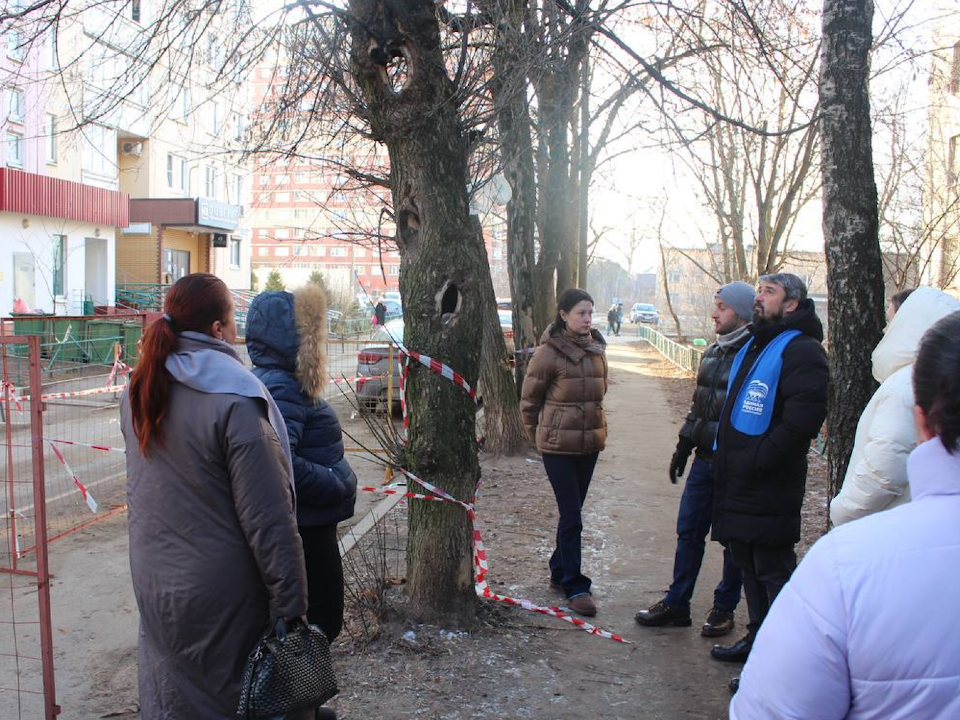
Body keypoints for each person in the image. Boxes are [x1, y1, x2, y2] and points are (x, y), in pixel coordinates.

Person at [730, 310, 960, 718]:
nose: (885, 327)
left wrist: (843, 510)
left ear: (922, 419)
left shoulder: (846, 566)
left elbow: (776, 710)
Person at [121, 273, 309, 719]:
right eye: (233, 321)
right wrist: (292, 606)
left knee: (173, 695)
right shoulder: (236, 400)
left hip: (153, 581)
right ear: (218, 330)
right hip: (224, 595)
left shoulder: (141, 390)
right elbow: (270, 521)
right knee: (229, 699)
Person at [710, 273, 828, 675]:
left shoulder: (803, 351)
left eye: (769, 293)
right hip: (741, 483)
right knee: (746, 563)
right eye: (759, 291)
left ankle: (781, 660)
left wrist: (756, 461)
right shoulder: (759, 342)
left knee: (773, 570)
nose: (759, 299)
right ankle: (758, 639)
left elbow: (800, 424)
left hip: (769, 485)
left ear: (792, 304)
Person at [635, 281, 754, 636]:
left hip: (734, 465)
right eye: (715, 305)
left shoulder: (754, 355)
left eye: (722, 306)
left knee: (732, 540)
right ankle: (677, 602)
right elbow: (700, 407)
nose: (714, 313)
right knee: (688, 531)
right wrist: (684, 445)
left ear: (743, 313)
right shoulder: (714, 352)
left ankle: (723, 608)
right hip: (704, 460)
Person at [247, 285, 358, 642]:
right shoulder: (281, 386)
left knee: (310, 628)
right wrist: (334, 481)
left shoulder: (272, 379)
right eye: (311, 331)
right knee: (319, 626)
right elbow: (281, 462)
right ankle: (302, 695)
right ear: (292, 335)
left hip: (309, 524)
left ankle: (304, 695)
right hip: (307, 528)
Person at [830, 287, 960, 527]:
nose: (884, 330)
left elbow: (884, 470)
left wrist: (841, 511)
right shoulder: (927, 381)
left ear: (909, 327)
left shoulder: (905, 387)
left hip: (881, 523)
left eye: (891, 322)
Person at [521, 288, 608, 617]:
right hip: (558, 448)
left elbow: (600, 392)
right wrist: (539, 438)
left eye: (590, 312)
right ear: (563, 315)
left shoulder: (597, 349)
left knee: (573, 512)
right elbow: (528, 403)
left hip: (589, 446)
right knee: (572, 515)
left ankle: (559, 569)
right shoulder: (548, 354)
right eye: (580, 313)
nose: (587, 319)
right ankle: (575, 584)